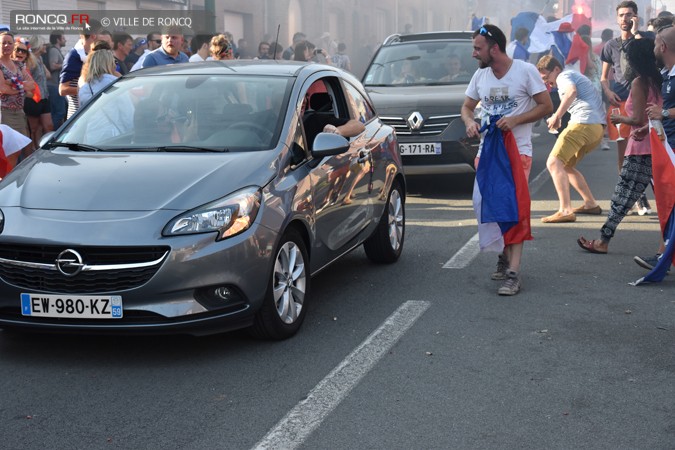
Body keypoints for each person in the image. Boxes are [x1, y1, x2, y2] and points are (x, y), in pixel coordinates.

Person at [460, 24, 553, 296]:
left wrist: (515, 120)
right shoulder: (481, 76)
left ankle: (513, 273)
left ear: (495, 48)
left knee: (514, 208)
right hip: (487, 153)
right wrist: (469, 122)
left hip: (517, 152)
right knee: (484, 205)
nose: (474, 53)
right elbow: (466, 106)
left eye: (478, 48)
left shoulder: (524, 71)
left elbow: (546, 106)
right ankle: (503, 252)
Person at [578, 38, 663, 255]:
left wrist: (619, 120)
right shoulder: (659, 79)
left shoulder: (639, 82)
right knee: (664, 198)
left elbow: (637, 118)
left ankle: (603, 241)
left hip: (641, 147)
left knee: (622, 197)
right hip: (657, 145)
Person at [536, 55, 605, 224]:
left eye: (546, 77)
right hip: (596, 127)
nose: (547, 83)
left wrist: (557, 116)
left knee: (553, 163)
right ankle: (590, 203)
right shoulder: (570, 75)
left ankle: (565, 210)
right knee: (565, 165)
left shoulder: (564, 76)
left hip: (584, 123)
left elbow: (572, 92)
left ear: (556, 70)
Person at [634, 25, 675, 269]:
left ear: (663, 47)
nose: (653, 49)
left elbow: (669, 112)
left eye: (655, 44)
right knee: (668, 203)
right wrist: (652, 124)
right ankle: (663, 255)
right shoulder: (668, 73)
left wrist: (664, 112)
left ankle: (663, 256)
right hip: (668, 147)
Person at [59, 20, 101, 119]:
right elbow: (62, 89)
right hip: (78, 117)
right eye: (101, 33)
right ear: (94, 35)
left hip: (94, 114)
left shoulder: (96, 54)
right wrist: (91, 91)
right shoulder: (73, 56)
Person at [19, 35, 54, 154]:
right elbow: (26, 79)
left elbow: (47, 76)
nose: (45, 46)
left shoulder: (40, 59)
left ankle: (43, 150)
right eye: (43, 44)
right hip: (33, 98)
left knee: (48, 126)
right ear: (38, 46)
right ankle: (31, 153)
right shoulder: (30, 60)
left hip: (44, 97)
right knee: (33, 129)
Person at [45, 30, 66, 128]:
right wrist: (66, 65)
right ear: (58, 39)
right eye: (63, 38)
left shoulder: (56, 50)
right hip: (53, 86)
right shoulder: (54, 50)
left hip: (55, 86)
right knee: (59, 113)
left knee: (59, 112)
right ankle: (54, 136)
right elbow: (53, 66)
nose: (65, 40)